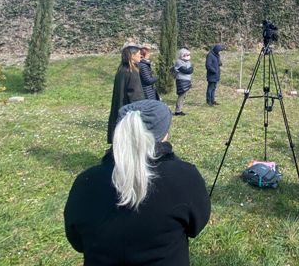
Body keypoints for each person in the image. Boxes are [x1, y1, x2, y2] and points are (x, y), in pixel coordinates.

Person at [64, 100, 211, 265]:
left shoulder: (85, 183)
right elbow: (195, 227)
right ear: (164, 135)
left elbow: (76, 241)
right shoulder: (185, 177)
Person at [107, 43, 145, 144]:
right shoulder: (132, 72)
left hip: (120, 108)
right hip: (128, 112)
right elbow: (136, 96)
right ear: (132, 56)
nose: (141, 56)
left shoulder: (121, 70)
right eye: (139, 53)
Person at [174, 48, 193, 115]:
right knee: (181, 95)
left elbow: (191, 69)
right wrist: (190, 69)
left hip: (187, 80)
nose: (187, 56)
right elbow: (186, 70)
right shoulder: (179, 62)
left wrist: (190, 68)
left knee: (184, 96)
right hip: (181, 81)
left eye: (188, 54)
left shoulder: (188, 62)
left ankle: (180, 109)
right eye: (186, 55)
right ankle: (178, 111)